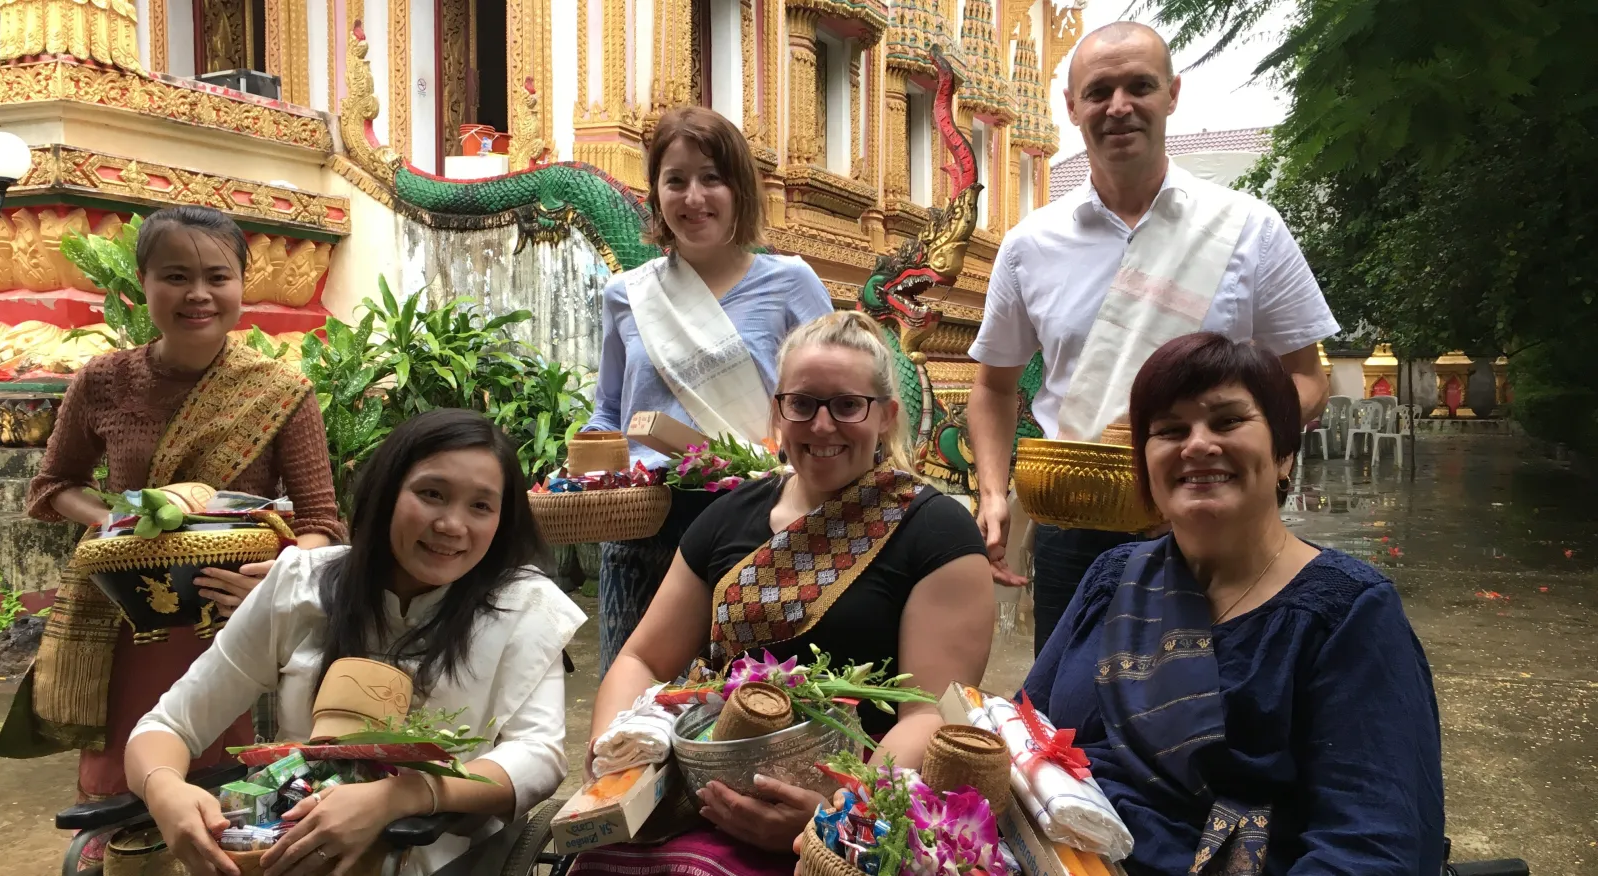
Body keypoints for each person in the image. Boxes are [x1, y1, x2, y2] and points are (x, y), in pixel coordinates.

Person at [569, 311, 995, 876]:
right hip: (700, 778)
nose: (822, 426)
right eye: (802, 404)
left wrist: (837, 815)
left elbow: (928, 713)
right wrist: (615, 760)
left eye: (847, 405)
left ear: (887, 415)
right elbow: (644, 658)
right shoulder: (727, 518)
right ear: (778, 410)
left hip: (849, 804)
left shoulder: (935, 532)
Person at [966, 21, 1341, 654]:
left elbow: (1309, 379)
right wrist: (992, 494)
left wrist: (1222, 446)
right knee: (1071, 722)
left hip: (1215, 510)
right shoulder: (1031, 244)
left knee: (1223, 709)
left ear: (1172, 94)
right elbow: (993, 387)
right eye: (1099, 90)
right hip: (1076, 519)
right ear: (1072, 108)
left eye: (1139, 86)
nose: (1119, 107)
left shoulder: (1247, 227)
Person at [1022, 333, 1444, 875]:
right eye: (1170, 430)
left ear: (1284, 452)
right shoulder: (1113, 578)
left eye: (1226, 422)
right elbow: (1025, 735)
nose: (1196, 445)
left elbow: (1368, 850)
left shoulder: (1346, 614)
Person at [125, 409, 586, 876]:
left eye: (481, 506)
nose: (451, 524)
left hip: (449, 860)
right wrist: (165, 790)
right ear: (386, 493)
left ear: (503, 521)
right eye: (431, 494)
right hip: (285, 854)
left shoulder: (525, 607)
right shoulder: (300, 584)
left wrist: (403, 795)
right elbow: (169, 725)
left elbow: (537, 756)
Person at [0, 207, 344, 821]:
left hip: (239, 618)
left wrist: (280, 575)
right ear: (143, 281)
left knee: (236, 788)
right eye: (176, 276)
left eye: (218, 276)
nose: (199, 294)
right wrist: (115, 520)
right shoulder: (103, 380)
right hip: (131, 614)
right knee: (125, 791)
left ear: (242, 282)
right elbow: (53, 486)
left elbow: (322, 522)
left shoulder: (280, 389)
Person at [585, 105, 833, 675]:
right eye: (675, 180)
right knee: (633, 702)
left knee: (744, 702)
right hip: (643, 522)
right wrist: (579, 468)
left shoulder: (789, 282)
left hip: (754, 520)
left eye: (711, 178)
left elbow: (837, 393)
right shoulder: (627, 295)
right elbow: (608, 410)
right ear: (656, 194)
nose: (693, 197)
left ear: (739, 189)